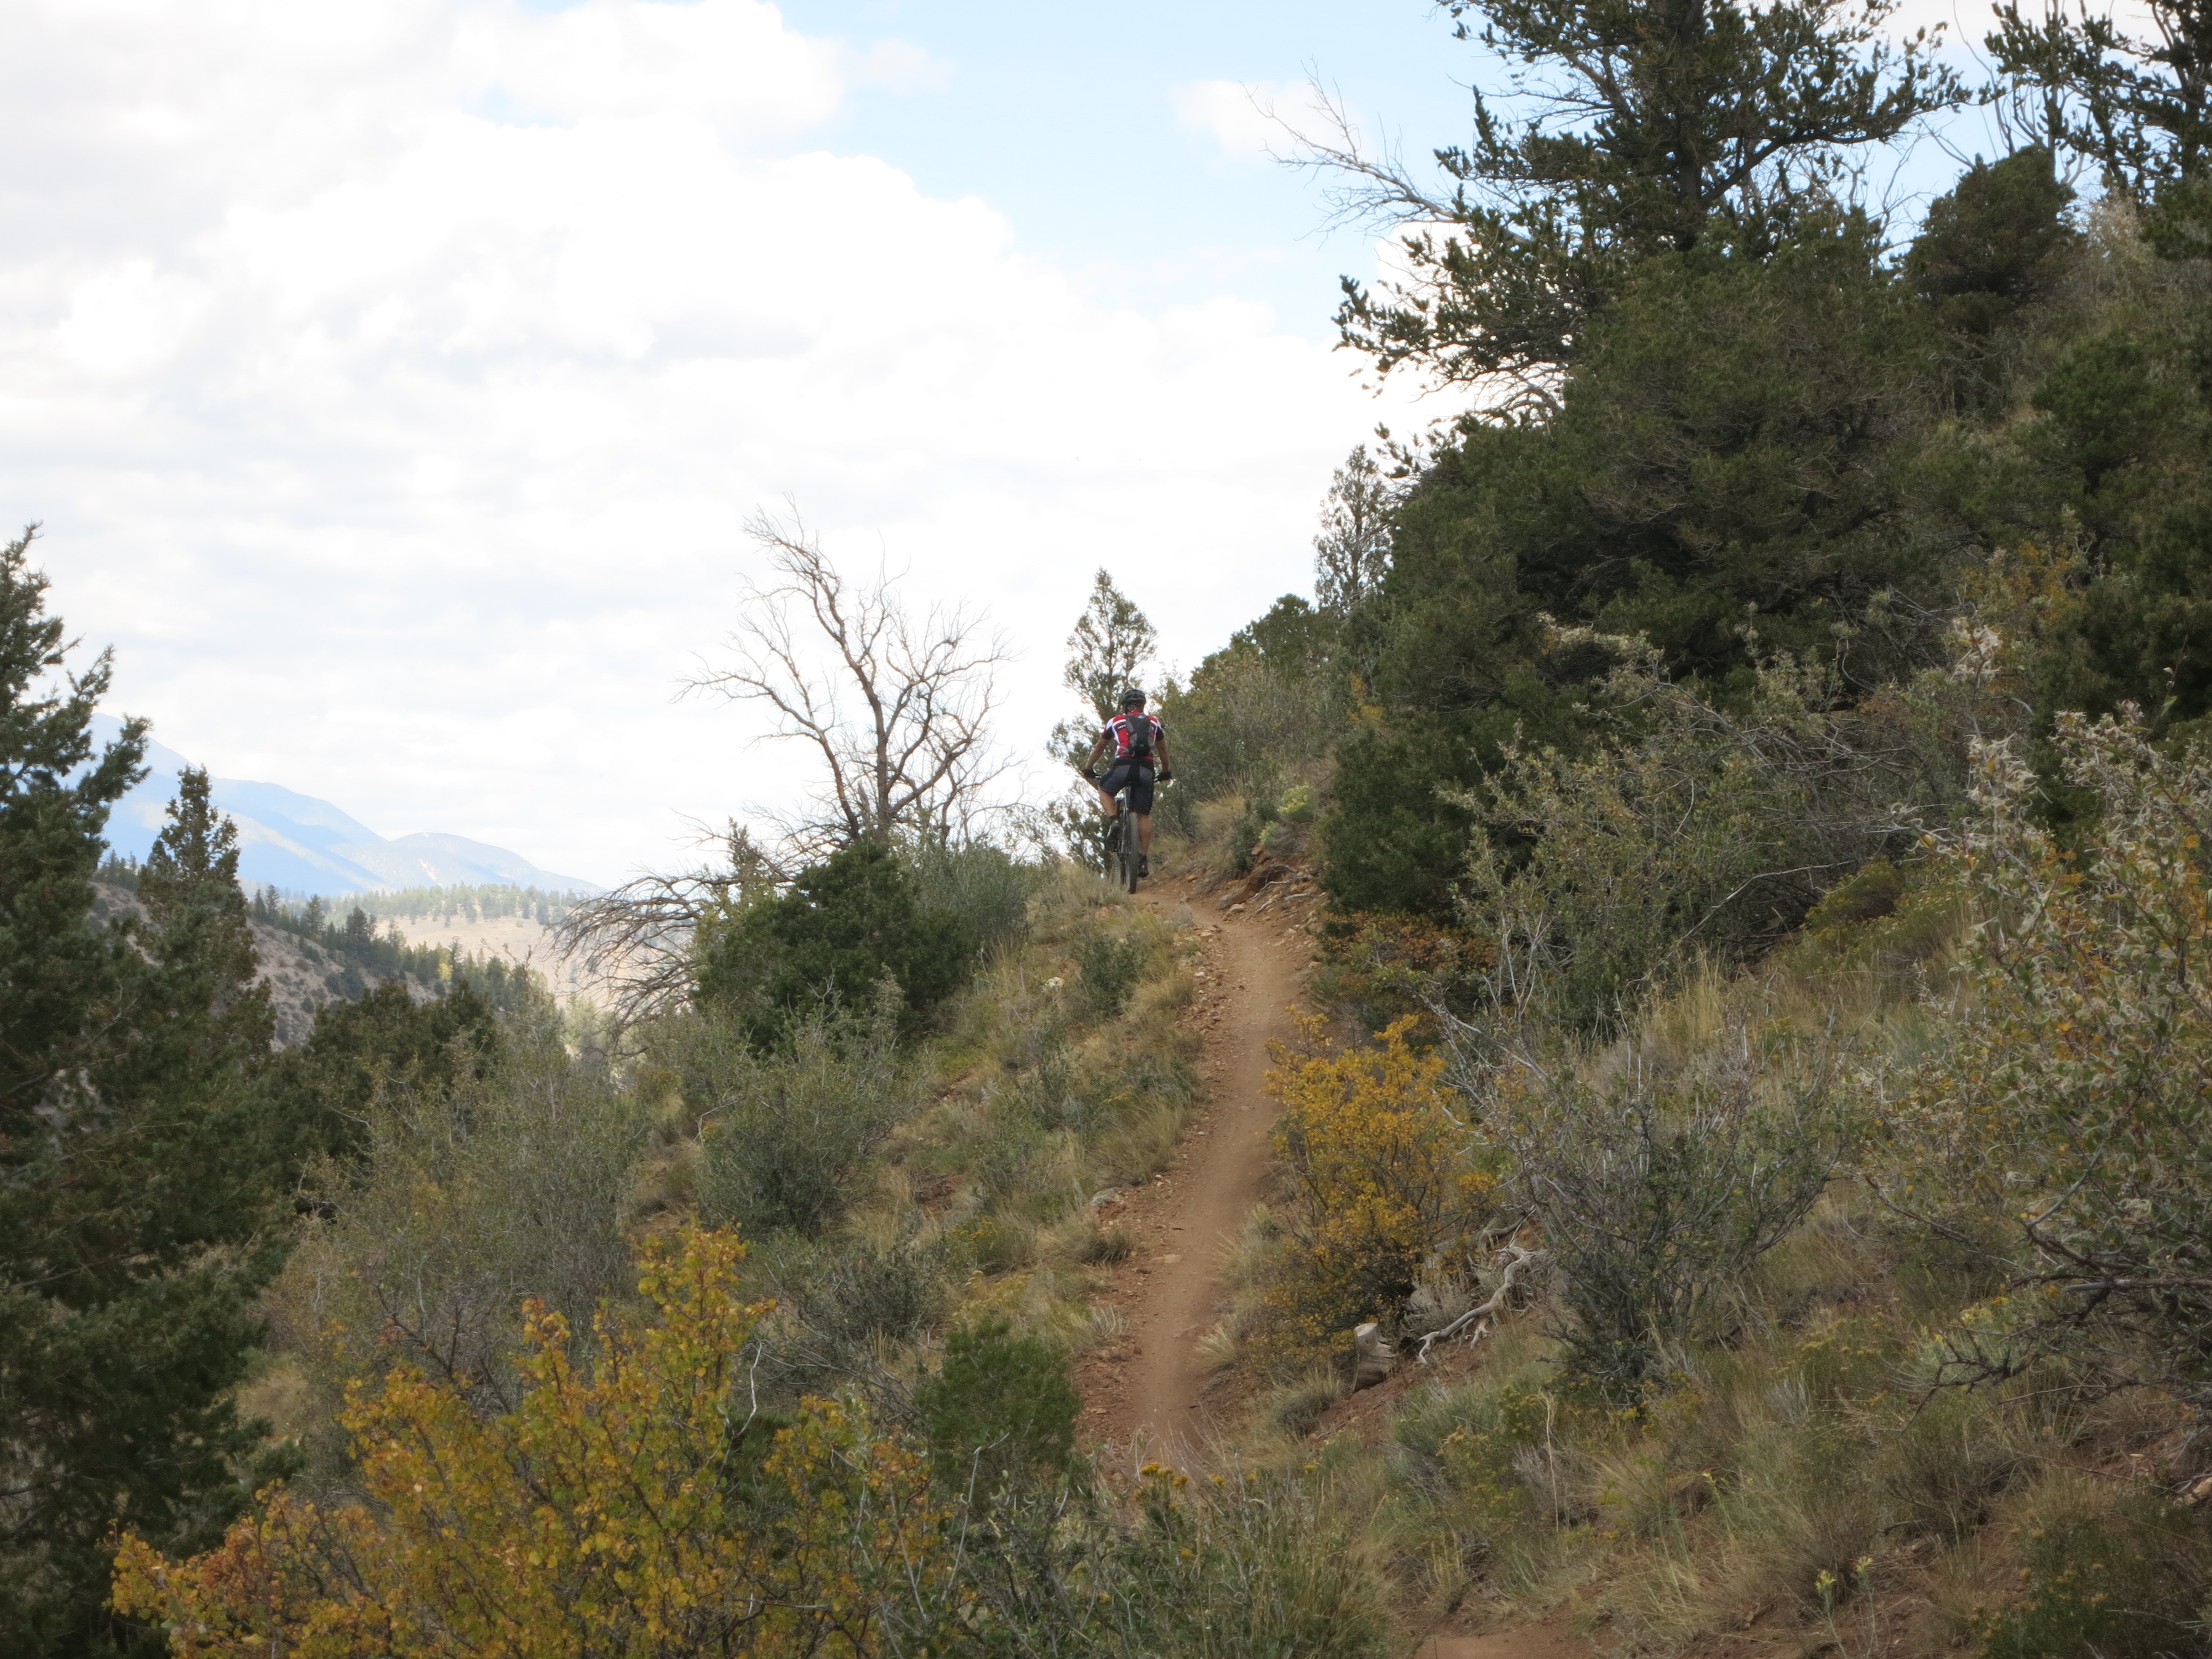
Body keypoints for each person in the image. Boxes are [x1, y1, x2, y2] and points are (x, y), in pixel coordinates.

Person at [1084, 688, 1172, 875]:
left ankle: (1114, 820)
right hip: (1146, 769)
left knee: (1105, 789)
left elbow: (1099, 748)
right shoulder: (1154, 722)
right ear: (1143, 705)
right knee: (1143, 815)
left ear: (1125, 706)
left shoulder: (1116, 721)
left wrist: (1088, 768)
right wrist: (1166, 771)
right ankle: (1143, 859)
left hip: (1123, 766)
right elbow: (1163, 751)